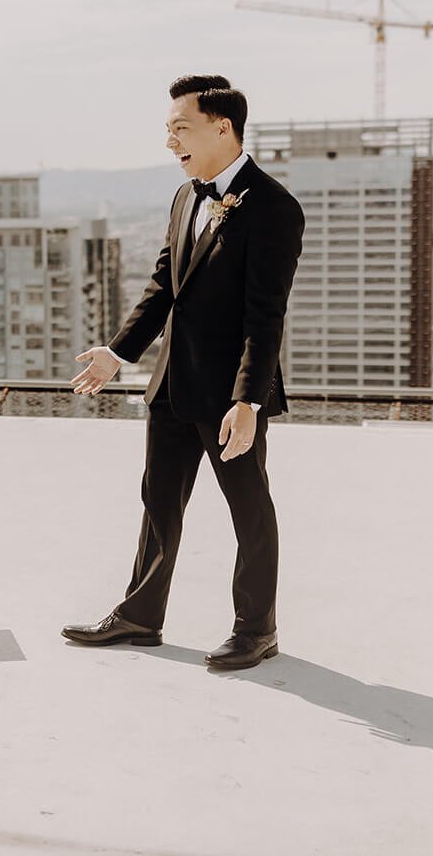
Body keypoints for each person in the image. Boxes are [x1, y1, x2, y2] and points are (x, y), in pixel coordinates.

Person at [65, 74, 305, 670]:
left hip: (229, 397)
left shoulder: (274, 207)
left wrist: (247, 401)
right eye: (168, 130)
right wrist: (119, 353)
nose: (171, 141)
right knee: (158, 503)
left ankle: (257, 629)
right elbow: (162, 287)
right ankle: (140, 617)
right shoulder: (185, 196)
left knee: (248, 510)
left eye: (181, 128)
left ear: (223, 128)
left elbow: (264, 315)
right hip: (171, 384)